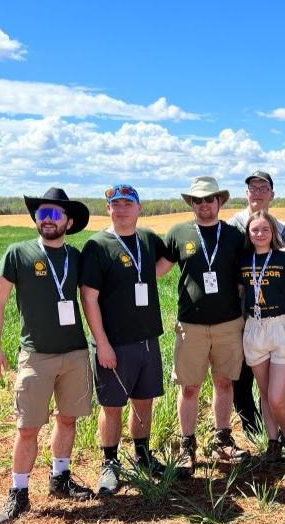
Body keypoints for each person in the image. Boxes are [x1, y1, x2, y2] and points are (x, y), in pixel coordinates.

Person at [0, 187, 94, 524]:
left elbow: (91, 301)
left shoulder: (76, 258)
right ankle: (18, 492)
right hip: (35, 356)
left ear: (69, 221)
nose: (48, 219)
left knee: (67, 419)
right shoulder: (17, 253)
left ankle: (60, 477)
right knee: (28, 427)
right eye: (43, 213)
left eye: (55, 214)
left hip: (75, 353)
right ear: (36, 218)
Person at [80, 184, 169, 496]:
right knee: (112, 405)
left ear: (138, 208)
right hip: (114, 344)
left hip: (147, 339)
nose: (121, 209)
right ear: (108, 209)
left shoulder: (147, 238)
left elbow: (166, 260)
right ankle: (110, 463)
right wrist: (101, 343)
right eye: (114, 204)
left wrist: (154, 275)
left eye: (127, 204)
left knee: (144, 401)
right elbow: (89, 299)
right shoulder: (98, 245)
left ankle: (143, 455)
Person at [158, 176, 249, 478]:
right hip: (191, 325)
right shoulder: (179, 233)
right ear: (192, 203)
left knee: (224, 383)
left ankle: (221, 439)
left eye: (210, 199)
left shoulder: (235, 235)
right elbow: (157, 270)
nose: (204, 204)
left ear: (220, 202)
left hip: (228, 323)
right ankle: (187, 445)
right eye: (198, 200)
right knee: (189, 387)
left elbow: (246, 274)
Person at [229, 171, 285, 435]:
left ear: (272, 194)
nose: (257, 192)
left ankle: (278, 432)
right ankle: (251, 426)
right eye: (252, 187)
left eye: (263, 187)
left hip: (278, 318)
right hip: (242, 316)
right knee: (242, 374)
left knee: (274, 385)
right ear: (246, 193)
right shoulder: (232, 227)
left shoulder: (282, 229)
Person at [239, 211, 285, 464]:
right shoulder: (243, 261)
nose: (259, 234)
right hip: (254, 327)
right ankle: (272, 442)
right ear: (248, 233)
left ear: (273, 233)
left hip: (282, 328)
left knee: (277, 396)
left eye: (265, 230)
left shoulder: (284, 259)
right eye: (254, 230)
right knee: (265, 393)